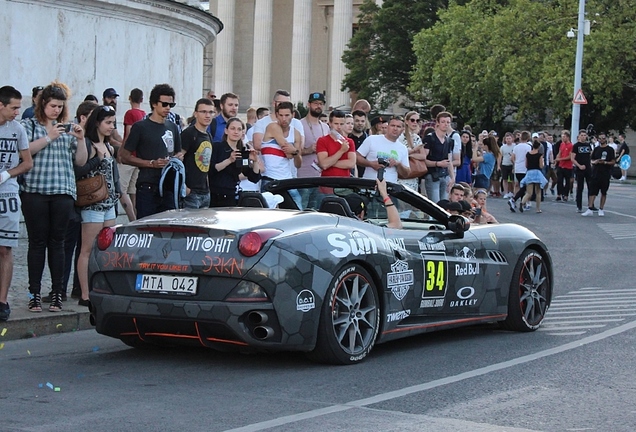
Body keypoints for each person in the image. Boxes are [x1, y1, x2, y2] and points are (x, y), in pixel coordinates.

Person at [20, 82, 88, 312]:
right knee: (37, 243)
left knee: (58, 243)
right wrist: (48, 137)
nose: (56, 110)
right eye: (52, 106)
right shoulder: (28, 125)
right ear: (42, 105)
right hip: (35, 191)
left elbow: (80, 161)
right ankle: (34, 294)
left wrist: (80, 140)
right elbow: (24, 152)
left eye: (60, 106)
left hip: (63, 192)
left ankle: (57, 293)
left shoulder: (67, 128)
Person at [75, 105, 120, 307]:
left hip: (109, 202)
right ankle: (84, 294)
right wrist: (98, 160)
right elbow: (80, 168)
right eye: (108, 122)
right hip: (93, 203)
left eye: (113, 122)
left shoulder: (109, 146)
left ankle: (102, 288)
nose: (111, 126)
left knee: (106, 249)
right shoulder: (89, 143)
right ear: (97, 123)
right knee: (87, 249)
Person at [119, 83, 183, 218]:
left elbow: (177, 151)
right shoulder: (140, 127)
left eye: (171, 105)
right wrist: (151, 163)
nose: (168, 108)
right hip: (147, 186)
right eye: (164, 104)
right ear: (154, 103)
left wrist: (177, 158)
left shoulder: (172, 127)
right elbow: (124, 156)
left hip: (168, 186)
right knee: (147, 230)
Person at [0, 86, 34, 321]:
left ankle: (2, 301)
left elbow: (27, 162)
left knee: (5, 247)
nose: (17, 111)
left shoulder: (18, 129)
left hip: (8, 192)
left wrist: (7, 174)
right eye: (13, 107)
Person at [209, 117, 261, 206]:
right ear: (226, 131)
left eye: (239, 129)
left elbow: (253, 177)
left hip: (233, 195)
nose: (236, 132)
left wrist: (255, 161)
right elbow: (211, 170)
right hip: (216, 195)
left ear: (242, 133)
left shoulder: (243, 150)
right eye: (232, 128)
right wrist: (229, 160)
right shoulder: (217, 147)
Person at [259, 101, 302, 207]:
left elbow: (298, 163)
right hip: (270, 179)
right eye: (281, 115)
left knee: (298, 212)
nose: (284, 119)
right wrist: (294, 152)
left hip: (288, 179)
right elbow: (287, 151)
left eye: (287, 115)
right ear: (277, 115)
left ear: (293, 115)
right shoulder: (272, 127)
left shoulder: (296, 133)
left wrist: (295, 153)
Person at [181, 98, 214, 208]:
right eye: (203, 112)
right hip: (191, 193)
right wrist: (184, 187)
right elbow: (177, 161)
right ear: (195, 114)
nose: (207, 115)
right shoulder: (188, 134)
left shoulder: (208, 135)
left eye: (210, 112)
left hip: (205, 192)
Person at [119, 88, 146, 221]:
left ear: (130, 98)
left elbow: (128, 134)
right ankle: (136, 218)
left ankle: (132, 219)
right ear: (142, 99)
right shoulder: (144, 114)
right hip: (139, 156)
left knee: (121, 189)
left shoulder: (130, 113)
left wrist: (122, 151)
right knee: (133, 191)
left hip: (129, 156)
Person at [357, 116, 410, 183]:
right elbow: (357, 157)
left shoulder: (403, 148)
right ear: (387, 127)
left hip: (389, 188)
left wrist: (398, 164)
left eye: (398, 127)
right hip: (369, 186)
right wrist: (371, 164)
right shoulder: (372, 139)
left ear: (402, 130)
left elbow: (406, 173)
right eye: (392, 125)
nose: (395, 129)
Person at [423, 112, 455, 202]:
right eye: (443, 122)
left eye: (448, 122)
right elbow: (423, 159)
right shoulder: (429, 138)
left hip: (445, 176)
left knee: (444, 204)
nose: (446, 124)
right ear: (437, 123)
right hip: (432, 175)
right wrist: (437, 163)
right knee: (435, 204)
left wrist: (452, 177)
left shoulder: (449, 141)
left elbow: (449, 160)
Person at [316, 110, 356, 177]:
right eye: (336, 124)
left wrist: (330, 163)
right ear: (330, 123)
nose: (339, 127)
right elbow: (324, 165)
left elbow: (351, 164)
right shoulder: (322, 140)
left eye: (342, 124)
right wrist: (341, 151)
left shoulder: (349, 142)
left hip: (345, 182)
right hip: (327, 182)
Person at [582, 136, 615, 217]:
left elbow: (613, 161)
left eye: (603, 138)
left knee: (603, 192)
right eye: (600, 138)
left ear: (606, 139)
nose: (601, 140)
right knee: (592, 191)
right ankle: (590, 208)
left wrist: (605, 163)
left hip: (605, 173)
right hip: (595, 173)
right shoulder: (596, 149)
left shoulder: (610, 150)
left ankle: (601, 208)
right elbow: (591, 160)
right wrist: (595, 162)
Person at [299, 92, 329, 178]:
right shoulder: (299, 124)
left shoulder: (326, 127)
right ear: (309, 104)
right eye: (315, 103)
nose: (318, 106)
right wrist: (308, 150)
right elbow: (291, 151)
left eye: (321, 104)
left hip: (322, 176)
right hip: (303, 176)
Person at [397, 111, 425, 191]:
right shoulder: (400, 137)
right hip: (402, 175)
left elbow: (423, 156)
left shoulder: (417, 137)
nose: (415, 123)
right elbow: (398, 154)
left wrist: (409, 155)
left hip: (414, 174)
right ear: (406, 121)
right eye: (412, 120)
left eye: (417, 121)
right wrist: (414, 151)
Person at [520, 140, 547, 213]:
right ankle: (538, 208)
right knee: (538, 192)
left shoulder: (528, 154)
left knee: (529, 192)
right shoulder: (539, 155)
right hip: (537, 173)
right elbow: (541, 166)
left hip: (529, 172)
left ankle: (522, 202)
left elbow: (526, 165)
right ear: (538, 147)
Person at [508, 131, 532, 212]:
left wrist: (515, 163)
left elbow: (512, 158)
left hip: (517, 168)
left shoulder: (516, 147)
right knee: (524, 187)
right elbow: (528, 158)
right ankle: (514, 199)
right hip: (524, 169)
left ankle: (522, 203)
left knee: (521, 186)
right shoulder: (528, 147)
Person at [571, 129, 593, 213]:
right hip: (580, 169)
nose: (583, 137)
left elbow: (591, 155)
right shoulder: (576, 146)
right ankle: (579, 206)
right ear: (579, 136)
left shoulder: (588, 145)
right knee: (580, 187)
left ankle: (591, 205)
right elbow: (572, 158)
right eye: (582, 135)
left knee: (590, 187)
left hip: (588, 168)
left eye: (585, 135)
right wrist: (579, 166)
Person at [349, 110, 369, 177]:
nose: (360, 123)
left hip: (365, 175)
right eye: (357, 121)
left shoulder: (369, 139)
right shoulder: (347, 138)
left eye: (362, 121)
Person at [500, 132, 516, 198]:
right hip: (504, 164)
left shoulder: (515, 146)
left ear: (512, 139)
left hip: (512, 164)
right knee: (505, 179)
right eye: (507, 138)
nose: (508, 140)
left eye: (509, 138)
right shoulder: (502, 147)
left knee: (513, 180)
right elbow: (500, 156)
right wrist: (499, 165)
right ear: (505, 139)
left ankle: (514, 192)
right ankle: (506, 192)